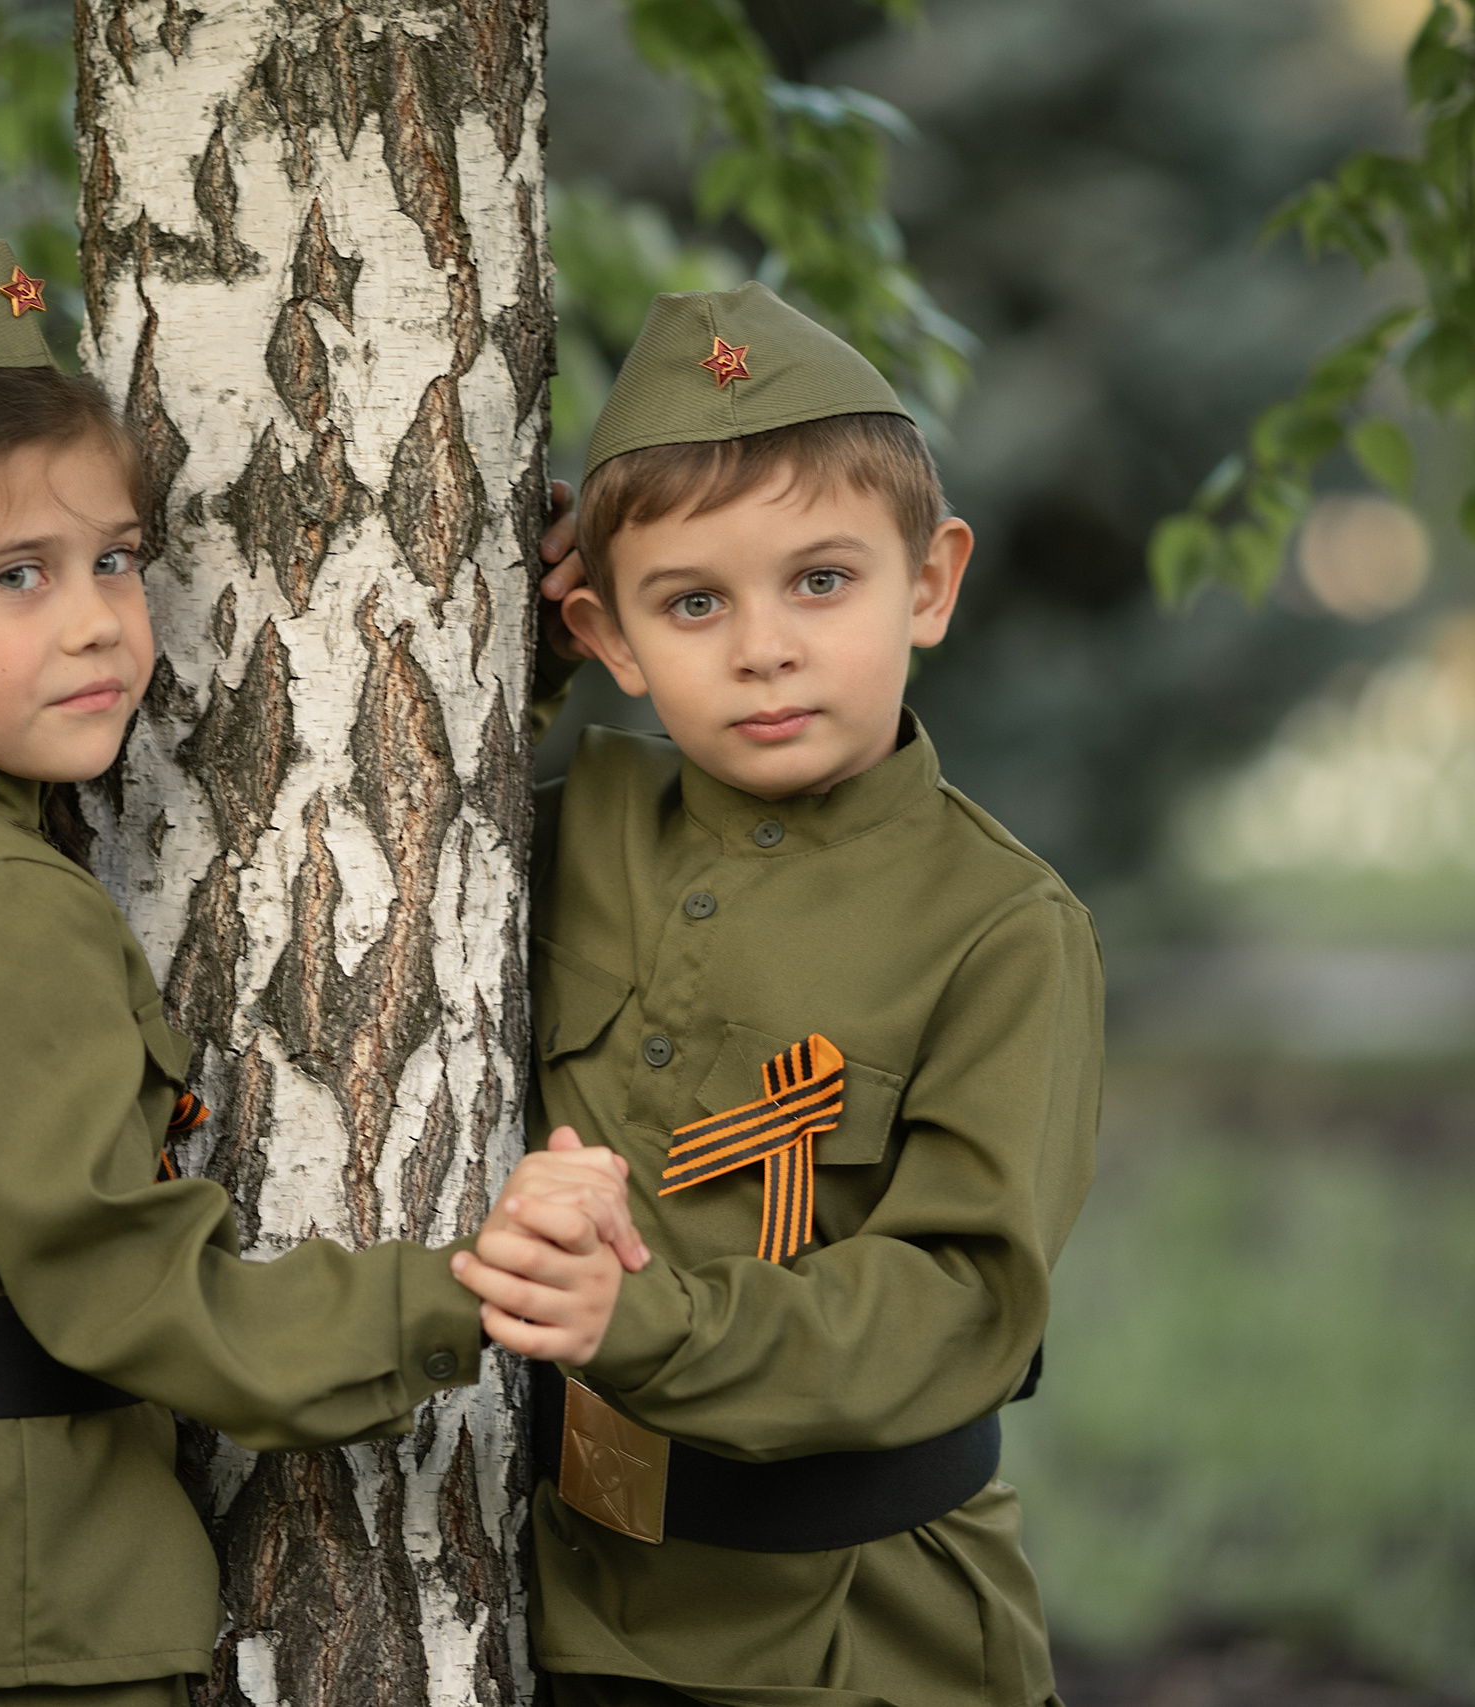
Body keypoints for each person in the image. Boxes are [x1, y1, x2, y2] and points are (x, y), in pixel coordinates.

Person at [0, 239, 647, 1707]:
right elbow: (150, 1306)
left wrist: (500, 666)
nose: (97, 620)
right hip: (10, 1631)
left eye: (117, 557)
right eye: (16, 573)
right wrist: (472, 1286)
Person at [500, 280, 1104, 1706]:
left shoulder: (1004, 927)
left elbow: (957, 1302)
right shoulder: (571, 825)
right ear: (608, 636)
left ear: (933, 582)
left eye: (822, 581)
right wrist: (506, 661)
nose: (762, 647)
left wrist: (643, 1328)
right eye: (692, 603)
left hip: (857, 1630)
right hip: (556, 1602)